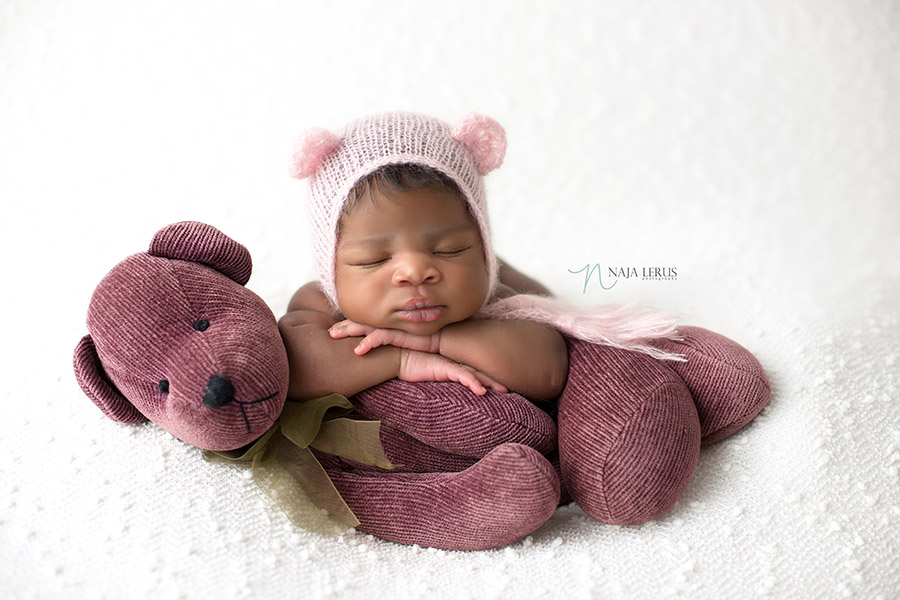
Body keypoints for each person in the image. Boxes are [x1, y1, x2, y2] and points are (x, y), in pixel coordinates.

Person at [280, 112, 679, 404]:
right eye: (374, 259)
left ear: (481, 247)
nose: (416, 271)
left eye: (449, 249)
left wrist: (435, 340)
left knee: (533, 293)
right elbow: (292, 371)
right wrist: (401, 359)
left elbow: (547, 369)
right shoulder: (323, 302)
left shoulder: (488, 300)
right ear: (330, 267)